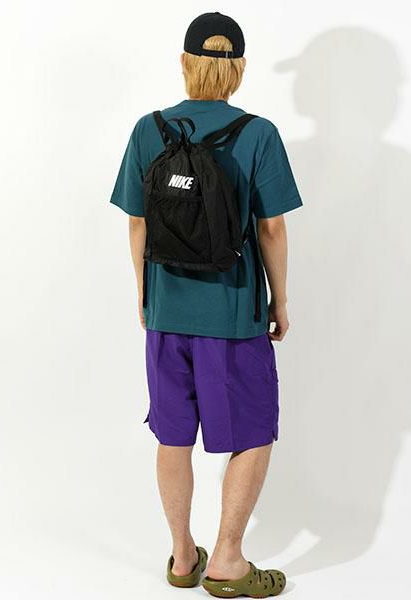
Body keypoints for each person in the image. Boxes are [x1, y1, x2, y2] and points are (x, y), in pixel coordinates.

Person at [109, 12, 302, 598]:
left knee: (172, 436)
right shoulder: (257, 133)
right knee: (253, 431)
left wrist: (145, 294)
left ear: (185, 63)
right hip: (233, 314)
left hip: (166, 315)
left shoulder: (149, 130)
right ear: (238, 69)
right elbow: (271, 228)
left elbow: (137, 223)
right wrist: (279, 300)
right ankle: (228, 559)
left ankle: (182, 555)